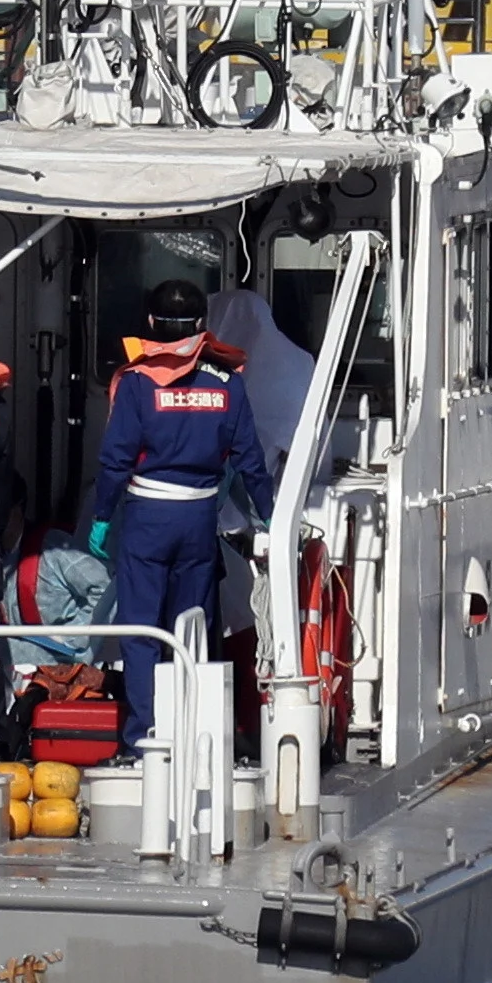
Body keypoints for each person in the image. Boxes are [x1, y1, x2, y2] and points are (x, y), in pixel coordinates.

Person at [89, 279, 276, 749]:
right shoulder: (228, 384)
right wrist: (270, 515)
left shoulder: (137, 383)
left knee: (141, 630)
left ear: (151, 322)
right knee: (193, 628)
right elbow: (251, 462)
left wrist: (102, 517)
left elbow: (115, 461)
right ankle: (194, 733)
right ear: (201, 325)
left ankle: (145, 737)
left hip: (148, 518)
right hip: (199, 521)